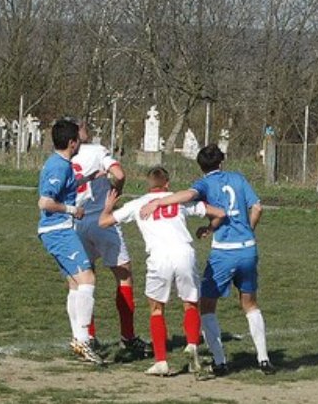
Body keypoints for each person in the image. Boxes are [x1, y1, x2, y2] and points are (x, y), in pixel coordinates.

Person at [139, 144, 273, 375]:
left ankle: (220, 362)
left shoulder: (204, 183)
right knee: (250, 304)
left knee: (207, 307)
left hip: (224, 252)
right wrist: (246, 230)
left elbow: (188, 196)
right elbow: (257, 208)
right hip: (248, 249)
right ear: (222, 162)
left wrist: (160, 202)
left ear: (201, 167)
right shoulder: (239, 179)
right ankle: (263, 359)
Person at [99, 167, 225, 377]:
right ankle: (192, 344)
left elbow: (103, 222)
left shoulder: (138, 204)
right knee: (190, 303)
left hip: (159, 258)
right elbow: (219, 213)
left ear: (149, 184)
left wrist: (108, 207)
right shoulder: (178, 200)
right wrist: (208, 228)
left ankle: (161, 362)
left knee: (157, 309)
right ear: (167, 183)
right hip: (184, 253)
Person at [66, 117, 147, 355]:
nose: (87, 129)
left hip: (76, 222)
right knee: (123, 275)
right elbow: (119, 174)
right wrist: (116, 192)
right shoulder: (96, 150)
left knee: (82, 281)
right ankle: (128, 336)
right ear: (77, 132)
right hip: (103, 221)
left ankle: (86, 336)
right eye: (83, 126)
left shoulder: (62, 158)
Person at [37, 120, 101, 364]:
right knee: (88, 279)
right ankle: (84, 340)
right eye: (78, 139)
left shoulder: (63, 164)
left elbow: (66, 187)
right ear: (72, 142)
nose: (80, 143)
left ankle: (78, 338)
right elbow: (45, 202)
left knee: (75, 284)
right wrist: (73, 210)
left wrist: (91, 177)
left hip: (59, 230)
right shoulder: (58, 167)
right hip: (58, 230)